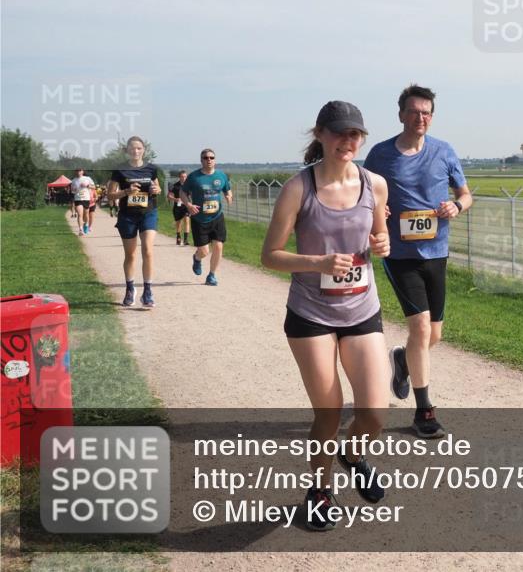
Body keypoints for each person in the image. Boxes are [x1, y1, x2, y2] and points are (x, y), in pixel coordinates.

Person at [261, 100, 392, 531]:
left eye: (355, 134)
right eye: (338, 132)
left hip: (361, 308)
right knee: (330, 411)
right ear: (319, 134)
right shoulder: (298, 188)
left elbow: (379, 237)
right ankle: (319, 490)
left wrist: (382, 245)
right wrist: (318, 263)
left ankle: (352, 455)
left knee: (374, 411)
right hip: (311, 313)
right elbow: (270, 255)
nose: (347, 141)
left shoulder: (375, 185)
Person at [364, 84, 472, 439]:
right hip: (400, 255)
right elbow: (365, 196)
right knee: (421, 329)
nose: (420, 118)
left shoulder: (444, 151)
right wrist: (378, 210)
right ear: (401, 115)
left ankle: (402, 360)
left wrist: (456, 206)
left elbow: (465, 194)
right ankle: (424, 411)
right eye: (413, 111)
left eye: (426, 112)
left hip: (436, 252)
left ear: (431, 117)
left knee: (433, 335)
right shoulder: (380, 155)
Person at [105, 136, 161, 307]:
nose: (135, 151)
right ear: (127, 150)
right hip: (127, 215)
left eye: (139, 148)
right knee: (130, 255)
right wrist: (126, 192)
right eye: (132, 148)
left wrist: (156, 190)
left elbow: (158, 188)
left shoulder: (151, 169)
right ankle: (130, 288)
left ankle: (148, 291)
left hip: (148, 213)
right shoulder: (120, 170)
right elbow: (110, 195)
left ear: (144, 150)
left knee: (148, 250)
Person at [181, 150, 232, 287]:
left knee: (219, 246)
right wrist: (188, 205)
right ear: (201, 160)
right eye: (205, 157)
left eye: (211, 157)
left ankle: (211, 275)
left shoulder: (221, 175)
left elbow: (227, 189)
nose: (209, 160)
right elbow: (182, 192)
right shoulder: (194, 177)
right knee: (204, 251)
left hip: (217, 216)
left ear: (215, 160)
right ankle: (197, 258)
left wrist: (229, 196)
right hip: (199, 218)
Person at [69, 168, 96, 236]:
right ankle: (80, 230)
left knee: (86, 214)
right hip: (78, 199)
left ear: (82, 171)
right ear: (75, 172)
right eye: (77, 171)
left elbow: (94, 187)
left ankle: (86, 224)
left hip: (86, 198)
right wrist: (74, 189)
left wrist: (87, 186)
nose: (78, 172)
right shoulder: (73, 180)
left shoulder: (87, 178)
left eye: (79, 170)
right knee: (79, 214)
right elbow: (72, 191)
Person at [169, 170, 192, 246]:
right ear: (179, 177)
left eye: (185, 177)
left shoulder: (189, 186)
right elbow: (169, 196)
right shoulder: (175, 186)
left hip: (187, 206)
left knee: (187, 220)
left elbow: (192, 195)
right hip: (178, 207)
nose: (184, 178)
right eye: (182, 177)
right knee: (178, 223)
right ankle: (178, 237)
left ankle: (185, 240)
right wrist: (175, 199)